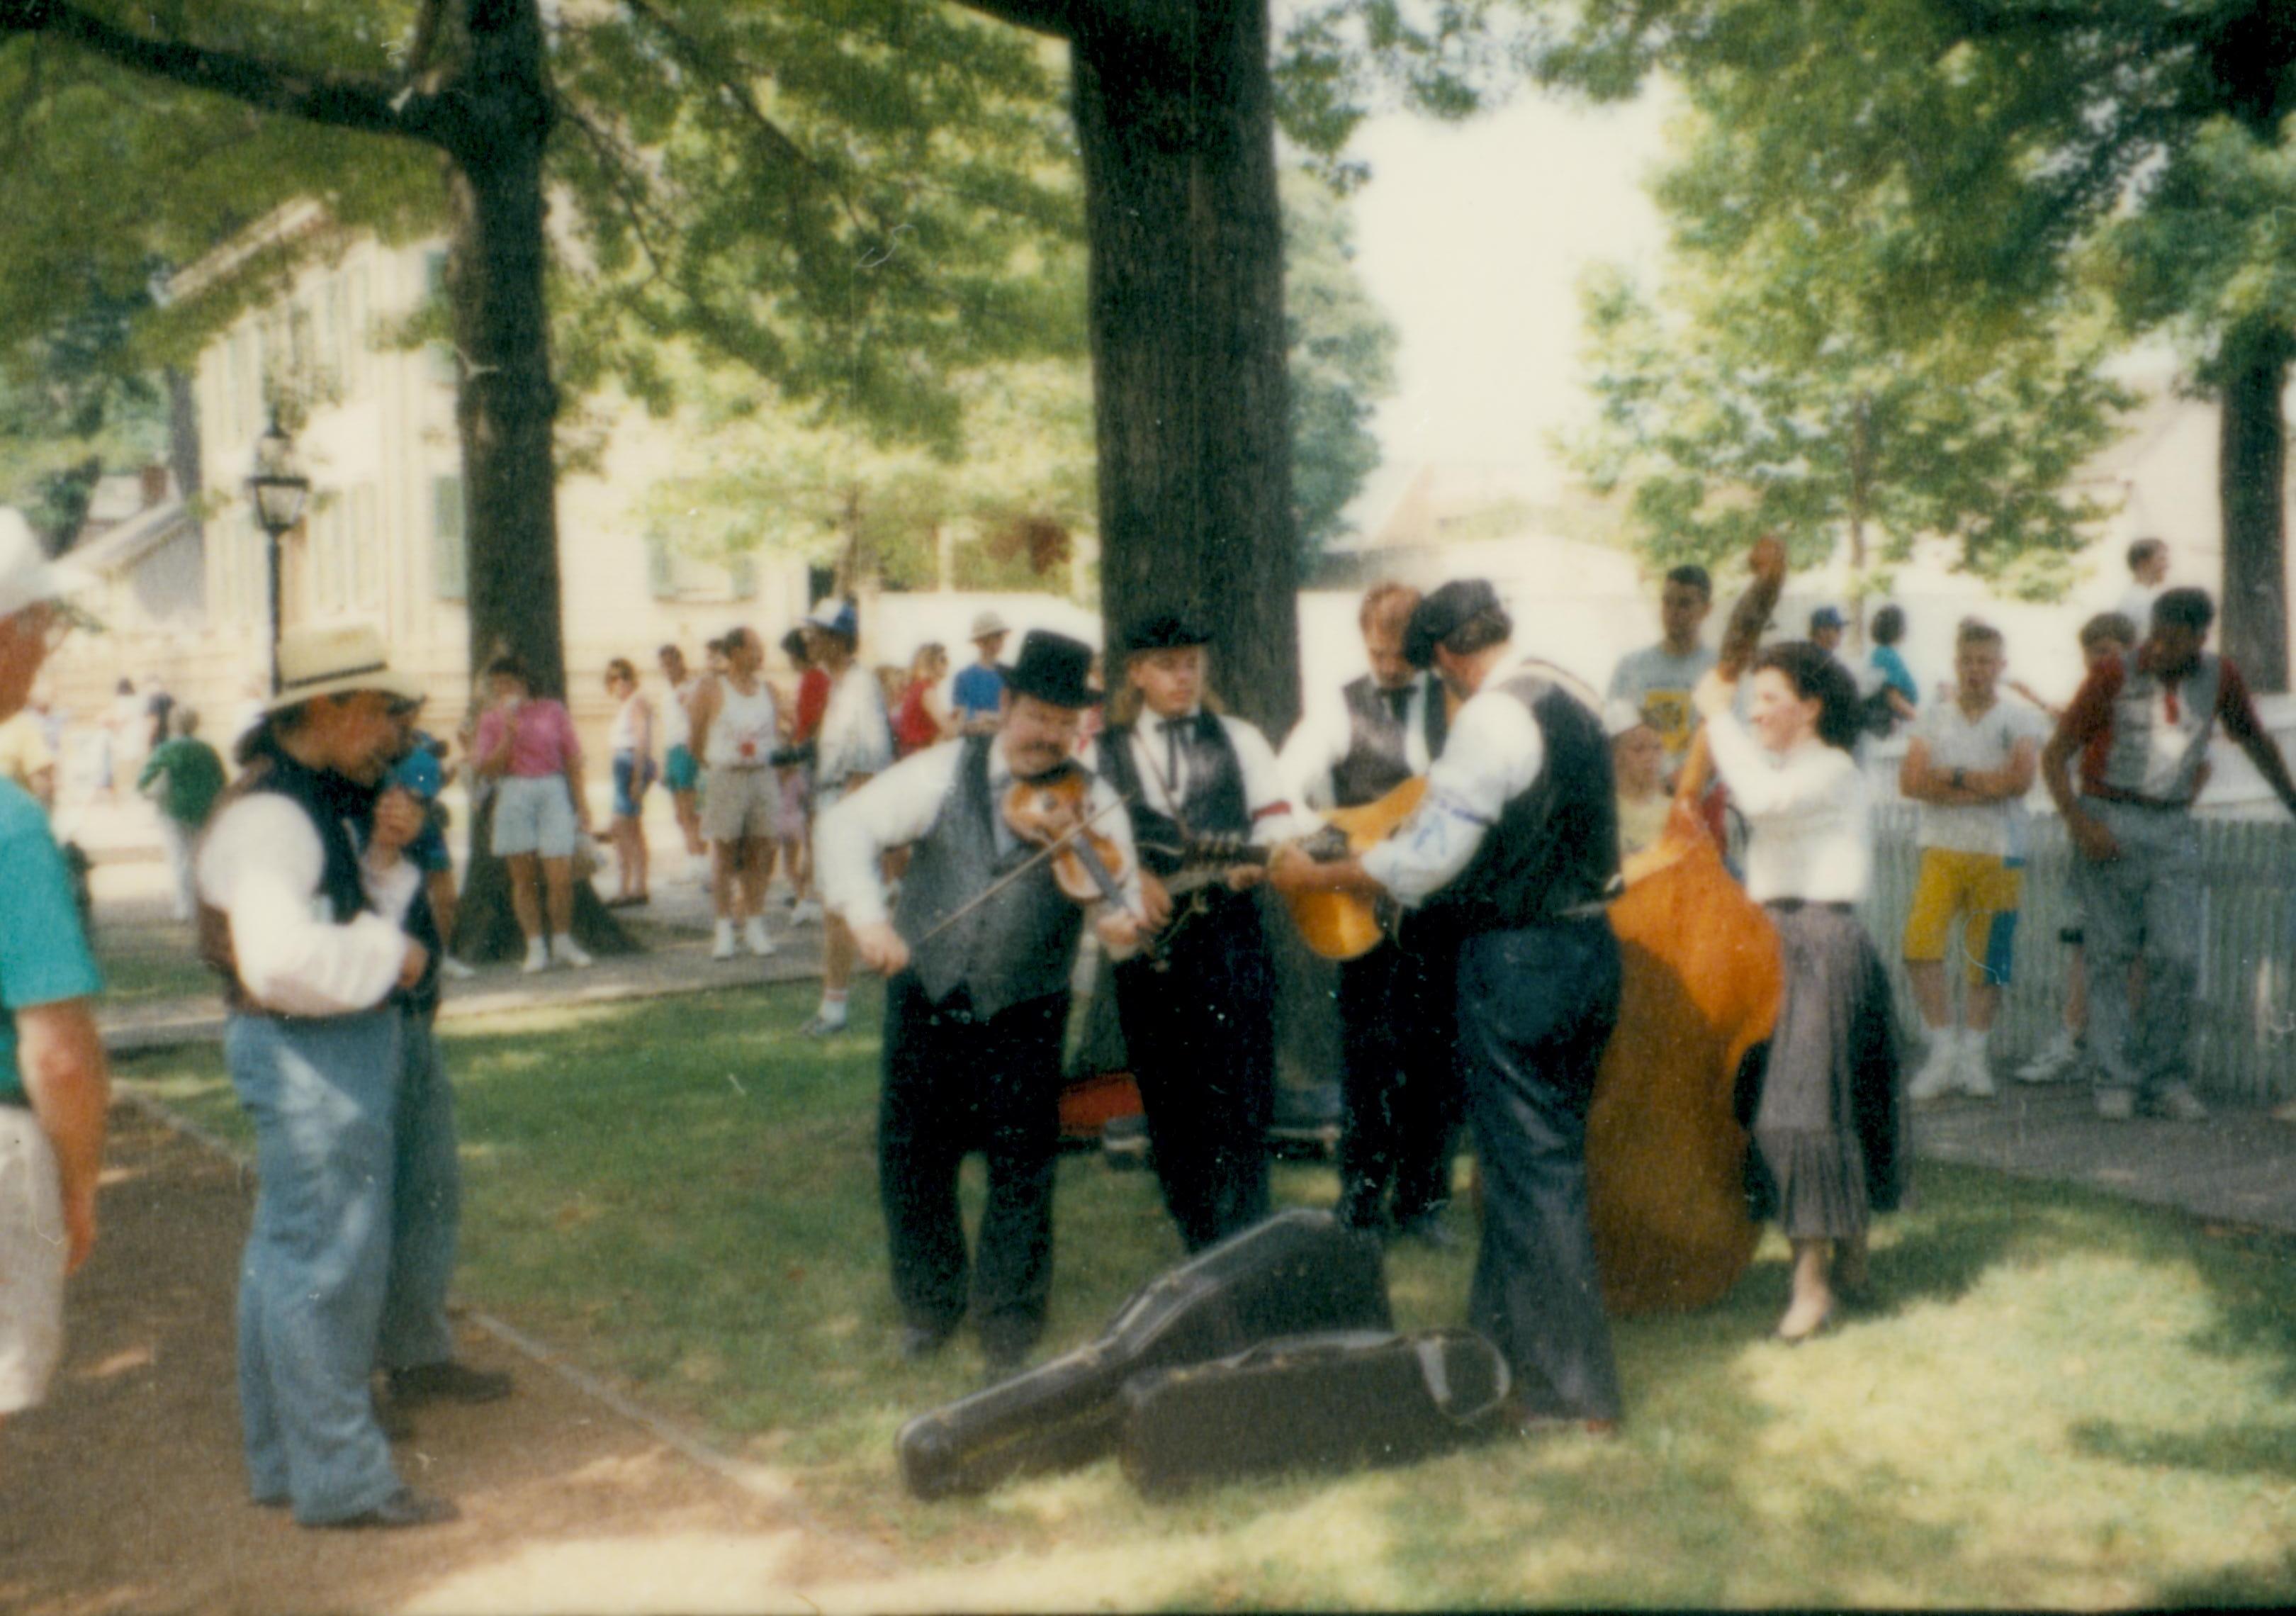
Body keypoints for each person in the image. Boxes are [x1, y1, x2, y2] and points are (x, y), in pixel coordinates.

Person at [1270, 578, 1626, 1432]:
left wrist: (1323, 874)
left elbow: (1427, 862)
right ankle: (1498, 1356)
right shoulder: (1570, 695)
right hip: (1589, 950)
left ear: (1450, 657)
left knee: (1533, 1176)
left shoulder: (1490, 718)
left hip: (1517, 960)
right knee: (1520, 1168)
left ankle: (1575, 1395)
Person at [818, 631, 1144, 1376]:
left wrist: (1122, 930)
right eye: (1037, 717)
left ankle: (1008, 1317)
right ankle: (930, 1306)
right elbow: (844, 826)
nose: (1050, 737)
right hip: (927, 987)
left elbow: (1115, 909)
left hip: (1026, 1004)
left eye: (1066, 724)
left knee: (1022, 1163)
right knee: (913, 1157)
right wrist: (868, 919)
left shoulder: (1092, 802)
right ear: (1004, 706)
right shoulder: (940, 771)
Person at [195, 622, 457, 1527]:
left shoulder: (303, 796)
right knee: (328, 1265)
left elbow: (332, 912)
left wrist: (382, 859)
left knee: (291, 1260)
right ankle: (341, 1480)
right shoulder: (275, 813)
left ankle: (290, 1462)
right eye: (382, 710)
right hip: (308, 1049)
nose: (395, 730)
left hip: (314, 1046)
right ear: (331, 708)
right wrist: (399, 957)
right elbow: (279, 961)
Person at [1692, 641, 1905, 1343]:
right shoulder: (1783, 764)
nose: (1754, 711)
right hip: (1772, 943)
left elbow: (1763, 800)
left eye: (1769, 699)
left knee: (1810, 1108)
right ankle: (1850, 1263)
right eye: (1749, 700)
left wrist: (1715, 719)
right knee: (1792, 1107)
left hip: (1822, 943)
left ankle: (1814, 1287)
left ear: (1811, 709)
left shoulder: (1835, 769)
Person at [2041, 588, 2296, 1121]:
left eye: (2172, 639)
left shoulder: (2220, 676)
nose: (2157, 648)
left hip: (2173, 822)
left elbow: (2254, 740)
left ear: (2200, 639)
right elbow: (2056, 753)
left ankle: (2165, 1079)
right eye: (2154, 634)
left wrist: (2292, 801)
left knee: (2177, 958)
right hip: (2108, 815)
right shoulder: (2113, 673)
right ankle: (2113, 1079)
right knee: (2109, 955)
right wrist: (2080, 823)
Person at [1095, 614, 1305, 1252]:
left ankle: (1244, 1239)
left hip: (1230, 937)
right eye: (1166, 666)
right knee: (1169, 1096)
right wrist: (1134, 882)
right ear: (1136, 673)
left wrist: (1260, 857)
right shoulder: (1100, 750)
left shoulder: (1240, 739)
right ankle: (1197, 1239)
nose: (1182, 677)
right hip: (1151, 948)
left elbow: (1279, 819)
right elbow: (1084, 842)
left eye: (1191, 663)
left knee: (1242, 1092)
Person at [1276, 582, 1460, 1243]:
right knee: (1370, 1060)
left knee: (1438, 1059)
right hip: (1365, 913)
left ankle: (1424, 1203)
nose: (1385, 666)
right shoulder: (1338, 706)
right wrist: (1343, 843)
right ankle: (1360, 1202)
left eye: (1398, 654)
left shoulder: (1455, 707)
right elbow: (1283, 788)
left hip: (1438, 910)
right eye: (1375, 652)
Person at [0, 515, 108, 1438]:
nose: (46, 649)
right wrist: (78, 1182)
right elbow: (60, 1055)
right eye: (42, 626)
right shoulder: (10, 825)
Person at [1898, 620, 2040, 1102]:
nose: (1976, 670)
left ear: (2000, 667)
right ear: (1956, 664)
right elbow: (1912, 781)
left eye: (1986, 662)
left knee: (1989, 958)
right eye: (1968, 661)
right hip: (1941, 846)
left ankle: (1974, 1056)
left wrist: (1954, 776)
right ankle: (1942, 1051)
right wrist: (1984, 785)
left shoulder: (2018, 719)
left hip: (2001, 850)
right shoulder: (1933, 716)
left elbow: (2019, 782)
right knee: (1920, 943)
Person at [2013, 612, 2139, 1084]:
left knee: (2134, 945)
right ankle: (2073, 1037)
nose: (2098, 661)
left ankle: (2118, 1048)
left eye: (2108, 650)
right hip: (2090, 828)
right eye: (2092, 652)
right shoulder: (2087, 703)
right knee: (2083, 939)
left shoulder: (2140, 702)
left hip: (2133, 829)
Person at [473, 653, 595, 973]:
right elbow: (486, 767)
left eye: (509, 682)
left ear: (524, 682)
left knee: (560, 874)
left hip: (552, 788)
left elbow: (572, 758)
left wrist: (582, 803)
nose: (504, 689)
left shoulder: (552, 711)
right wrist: (508, 735)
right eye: (497, 684)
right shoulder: (490, 719)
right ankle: (535, 947)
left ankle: (564, 942)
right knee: (523, 876)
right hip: (514, 790)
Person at [803, 600, 892, 1033]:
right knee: (835, 910)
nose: (810, 640)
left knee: (844, 910)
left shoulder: (861, 685)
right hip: (830, 802)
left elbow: (869, 760)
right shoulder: (837, 685)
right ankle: (833, 1004)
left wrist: (848, 822)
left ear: (839, 639)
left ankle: (835, 1009)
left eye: (818, 632)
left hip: (847, 805)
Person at [686, 626, 782, 960]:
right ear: (736, 652)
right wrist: (718, 764)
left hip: (762, 776)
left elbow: (779, 733)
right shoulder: (711, 688)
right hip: (726, 776)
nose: (760, 655)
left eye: (761, 648)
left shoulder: (768, 689)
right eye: (754, 648)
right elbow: (695, 739)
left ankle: (754, 924)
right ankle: (723, 929)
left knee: (762, 851)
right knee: (724, 854)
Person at [1606, 563, 1715, 784]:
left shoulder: (1720, 671)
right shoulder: (1630, 668)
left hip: (1700, 798)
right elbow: (1614, 739)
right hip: (1642, 797)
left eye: (1685, 604)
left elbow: (1728, 745)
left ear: (1706, 610)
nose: (1673, 612)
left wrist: (1683, 784)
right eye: (1667, 601)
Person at [386, 726, 475, 982]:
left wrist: (449, 774)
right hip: (400, 824)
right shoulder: (387, 738)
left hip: (429, 827)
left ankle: (442, 956)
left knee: (445, 897)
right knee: (406, 896)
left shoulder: (426, 738)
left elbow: (432, 782)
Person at [137, 705, 227, 921]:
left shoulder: (166, 750)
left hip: (172, 809)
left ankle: (185, 908)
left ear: (172, 724)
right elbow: (222, 781)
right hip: (203, 810)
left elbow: (143, 781)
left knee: (179, 859)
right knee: (200, 858)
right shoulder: (208, 751)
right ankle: (205, 904)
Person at [782, 626, 830, 927]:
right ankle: (809, 891)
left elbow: (812, 723)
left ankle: (810, 895)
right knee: (810, 828)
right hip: (813, 754)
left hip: (812, 757)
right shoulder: (814, 679)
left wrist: (797, 747)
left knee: (811, 829)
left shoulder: (814, 679)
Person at [602, 658, 655, 907]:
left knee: (620, 829)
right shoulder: (625, 705)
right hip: (623, 767)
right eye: (613, 679)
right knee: (632, 830)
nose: (619, 684)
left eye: (623, 677)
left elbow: (642, 740)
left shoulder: (637, 702)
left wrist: (636, 778)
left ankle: (628, 888)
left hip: (632, 766)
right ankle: (638, 887)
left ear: (632, 678)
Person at [655, 644, 707, 884]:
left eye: (671, 663)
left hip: (687, 749)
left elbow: (696, 719)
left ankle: (701, 859)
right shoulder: (665, 691)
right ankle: (691, 857)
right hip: (672, 751)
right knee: (679, 812)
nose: (668, 669)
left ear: (680, 661)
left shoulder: (691, 686)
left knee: (691, 808)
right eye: (663, 665)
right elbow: (667, 727)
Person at [1609, 700, 1670, 861]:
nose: (1650, 758)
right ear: (1616, 755)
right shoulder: (1606, 809)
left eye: (1657, 748)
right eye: (1639, 749)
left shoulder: (1672, 810)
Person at [951, 610, 1011, 736]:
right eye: (996, 636)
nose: (1002, 640)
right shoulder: (963, 677)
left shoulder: (1010, 675)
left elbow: (1015, 716)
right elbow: (961, 720)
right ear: (981, 641)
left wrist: (990, 718)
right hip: (975, 739)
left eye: (1002, 636)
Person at [893, 641, 953, 758]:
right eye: (943, 659)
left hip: (911, 754)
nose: (948, 663)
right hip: (921, 756)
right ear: (929, 663)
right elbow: (949, 731)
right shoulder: (927, 691)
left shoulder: (916, 688)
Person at [1867, 605, 1920, 733]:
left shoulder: (1879, 653)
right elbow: (1893, 698)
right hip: (1893, 725)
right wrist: (1919, 719)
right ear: (1897, 629)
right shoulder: (1890, 656)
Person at [2115, 537, 2170, 636]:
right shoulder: (2136, 601)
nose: (2167, 565)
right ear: (2143, 563)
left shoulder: (2149, 596)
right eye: (2162, 559)